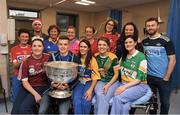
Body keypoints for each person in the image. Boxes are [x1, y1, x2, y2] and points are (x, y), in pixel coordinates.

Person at [142, 17, 176, 114]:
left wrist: (167, 76)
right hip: (149, 77)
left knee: (165, 102)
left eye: (152, 25)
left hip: (163, 78)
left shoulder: (166, 40)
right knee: (152, 101)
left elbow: (173, 59)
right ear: (146, 27)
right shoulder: (144, 41)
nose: (150, 27)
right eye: (148, 26)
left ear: (157, 26)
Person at [38, 35, 78, 114]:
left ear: (68, 45)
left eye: (65, 44)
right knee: (42, 111)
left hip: (66, 90)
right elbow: (47, 74)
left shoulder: (74, 58)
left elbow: (77, 76)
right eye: (60, 44)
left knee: (63, 113)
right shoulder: (52, 57)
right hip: (52, 88)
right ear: (57, 45)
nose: (63, 46)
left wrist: (68, 86)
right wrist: (52, 84)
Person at [110, 35, 150, 114]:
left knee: (117, 98)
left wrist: (123, 88)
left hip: (139, 86)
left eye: (130, 42)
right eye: (126, 43)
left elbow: (138, 80)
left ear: (135, 43)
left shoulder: (141, 57)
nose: (128, 44)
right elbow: (118, 67)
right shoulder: (124, 56)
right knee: (125, 106)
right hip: (124, 83)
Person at [11, 38, 50, 114]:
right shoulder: (26, 61)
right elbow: (24, 82)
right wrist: (35, 94)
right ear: (31, 48)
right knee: (14, 112)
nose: (37, 48)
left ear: (43, 47)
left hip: (41, 85)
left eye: (39, 46)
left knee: (24, 109)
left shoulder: (48, 57)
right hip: (27, 85)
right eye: (34, 46)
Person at [73, 39, 100, 114]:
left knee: (85, 100)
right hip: (79, 82)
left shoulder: (92, 60)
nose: (82, 48)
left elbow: (95, 78)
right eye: (81, 46)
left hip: (90, 82)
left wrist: (90, 90)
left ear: (88, 48)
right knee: (76, 100)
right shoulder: (76, 58)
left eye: (85, 47)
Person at [94, 37, 119, 114]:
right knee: (99, 94)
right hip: (100, 81)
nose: (101, 46)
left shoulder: (113, 57)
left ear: (108, 46)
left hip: (113, 82)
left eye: (104, 45)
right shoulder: (95, 56)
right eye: (99, 45)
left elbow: (116, 74)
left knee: (103, 97)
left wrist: (108, 85)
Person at [10, 29, 31, 103]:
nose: (25, 38)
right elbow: (15, 66)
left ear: (28, 38)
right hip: (17, 77)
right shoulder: (13, 49)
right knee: (16, 98)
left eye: (26, 37)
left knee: (29, 98)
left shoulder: (32, 48)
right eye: (23, 36)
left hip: (29, 77)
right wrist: (23, 61)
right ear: (19, 37)